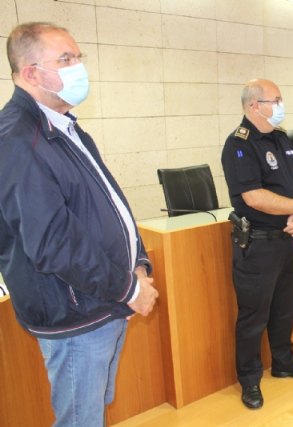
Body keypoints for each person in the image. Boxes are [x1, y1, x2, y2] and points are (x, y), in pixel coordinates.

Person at [0, 22, 159, 426]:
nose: (78, 67)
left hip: (105, 297)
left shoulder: (65, 126)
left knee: (96, 408)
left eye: (78, 57)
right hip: (75, 313)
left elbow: (112, 204)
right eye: (66, 59)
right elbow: (52, 242)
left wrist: (138, 264)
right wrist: (128, 289)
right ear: (32, 73)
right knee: (80, 420)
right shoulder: (17, 139)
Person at [221, 78, 293, 410]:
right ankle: (249, 379)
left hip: (289, 239)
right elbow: (254, 196)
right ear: (254, 106)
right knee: (254, 316)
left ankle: (283, 361)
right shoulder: (239, 144)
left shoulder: (283, 138)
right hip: (258, 245)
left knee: (286, 308)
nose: (281, 105)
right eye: (275, 100)